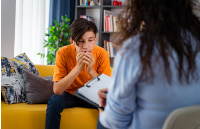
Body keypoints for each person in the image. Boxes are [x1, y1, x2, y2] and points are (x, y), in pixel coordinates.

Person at [97, 0, 200, 129]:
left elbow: (115, 122)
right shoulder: (196, 42)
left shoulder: (136, 48)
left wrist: (103, 110)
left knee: (102, 121)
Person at [45, 18, 111, 129]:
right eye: (81, 41)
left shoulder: (102, 54)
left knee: (108, 104)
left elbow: (106, 90)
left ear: (95, 39)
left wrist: (91, 71)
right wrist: (78, 68)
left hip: (92, 94)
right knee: (54, 102)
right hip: (70, 94)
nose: (86, 46)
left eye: (90, 40)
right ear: (72, 41)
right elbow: (57, 90)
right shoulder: (62, 53)